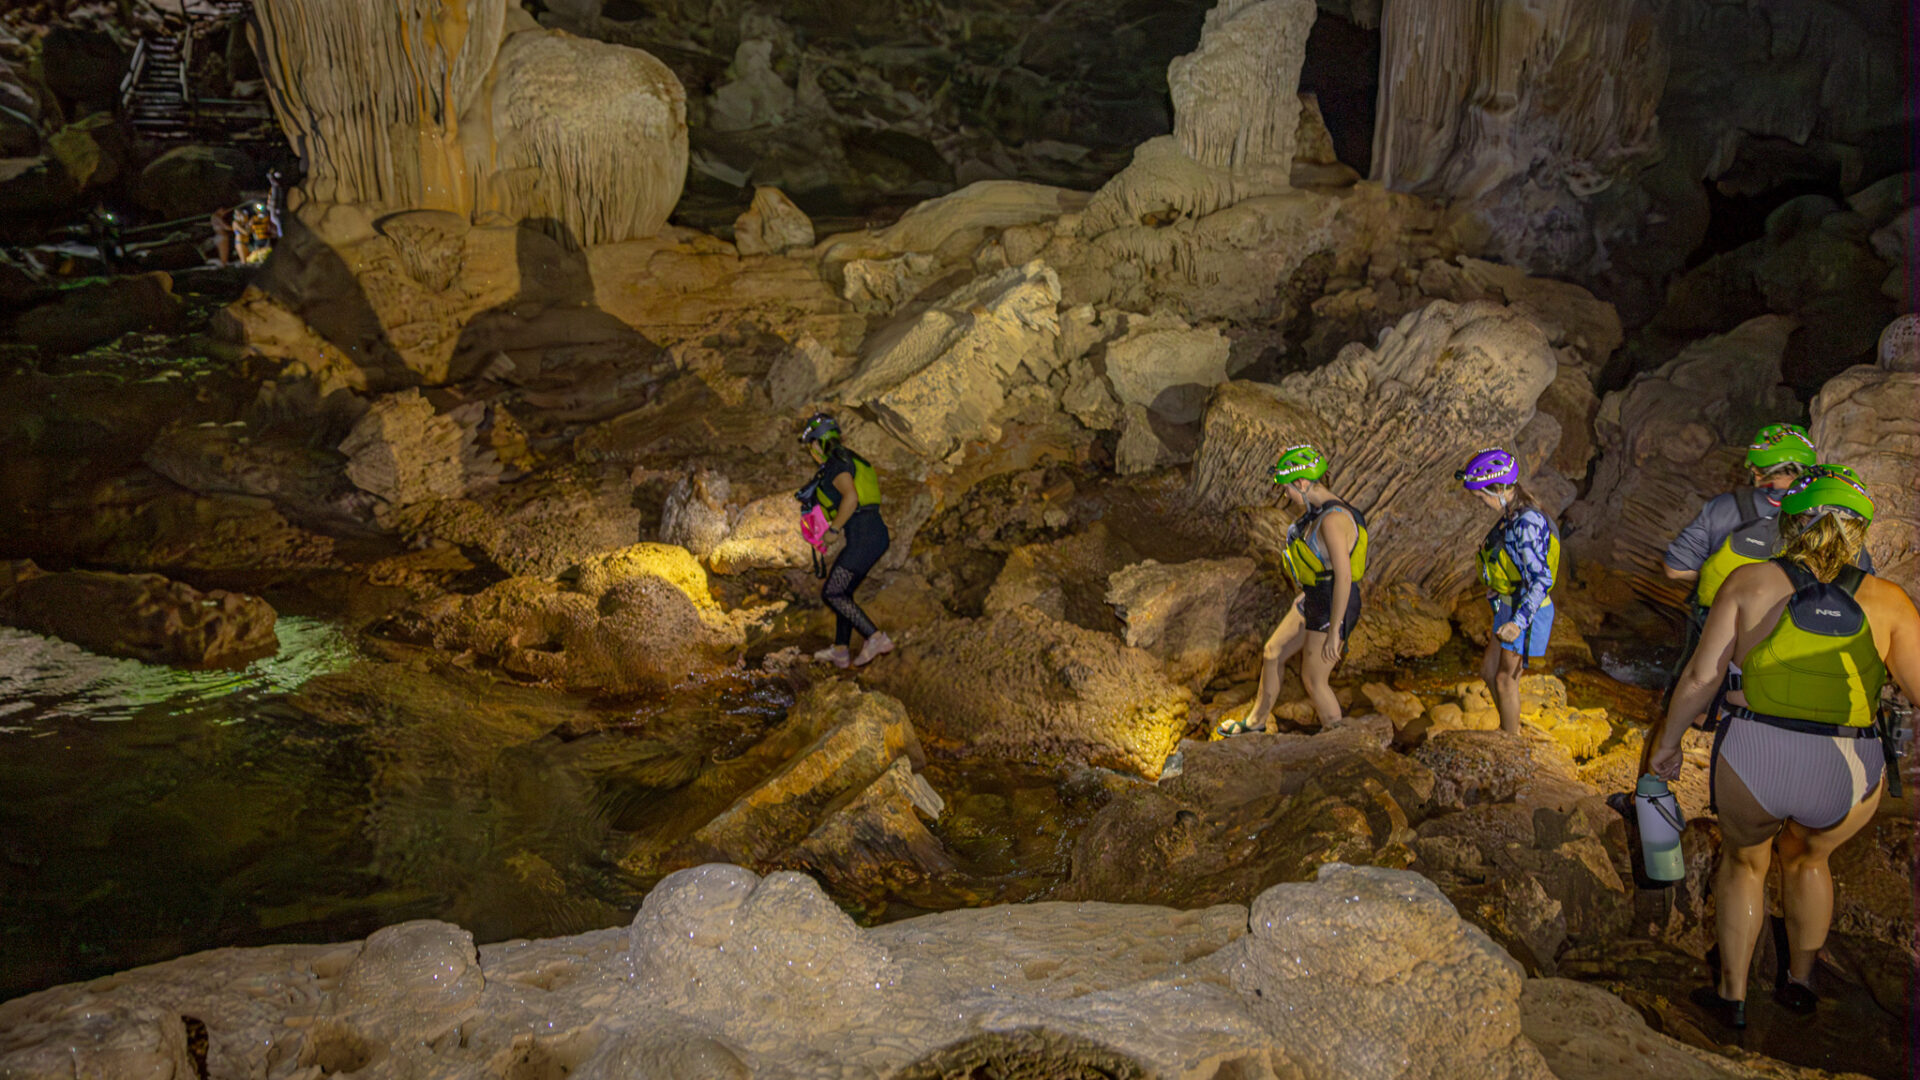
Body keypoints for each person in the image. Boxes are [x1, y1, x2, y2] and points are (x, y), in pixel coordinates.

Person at [1649, 466, 1918, 1030]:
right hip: (1847, 766)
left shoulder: (1748, 582)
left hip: (1755, 753)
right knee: (1809, 859)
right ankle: (1800, 984)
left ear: (1789, 523)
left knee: (1745, 862)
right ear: (1860, 531)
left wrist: (1667, 746)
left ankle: (1732, 998)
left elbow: (1701, 677)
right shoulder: (1890, 600)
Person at [1216, 444, 1367, 735]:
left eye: (1288, 488)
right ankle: (1255, 723)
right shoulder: (1319, 512)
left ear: (1302, 483)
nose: (1286, 495)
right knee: (1273, 652)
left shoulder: (1333, 521)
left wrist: (1334, 631)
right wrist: (1309, 591)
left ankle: (1339, 740)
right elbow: (1324, 565)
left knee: (1314, 679)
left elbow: (1344, 577)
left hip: (1333, 604)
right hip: (1316, 596)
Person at [1458, 448, 1559, 734]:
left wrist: (1518, 622)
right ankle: (1509, 727)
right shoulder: (1512, 515)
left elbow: (1541, 579)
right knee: (1488, 672)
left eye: (1481, 496)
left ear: (1499, 489)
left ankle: (1511, 741)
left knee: (1505, 679)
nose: (1481, 502)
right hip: (1508, 603)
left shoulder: (1526, 523)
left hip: (1526, 610)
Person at [797, 413, 894, 668]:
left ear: (817, 443)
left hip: (864, 535)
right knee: (844, 592)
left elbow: (851, 498)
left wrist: (833, 530)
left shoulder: (836, 464)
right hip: (872, 534)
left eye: (811, 446)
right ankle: (841, 651)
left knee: (833, 592)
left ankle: (875, 638)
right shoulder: (848, 458)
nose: (811, 452)